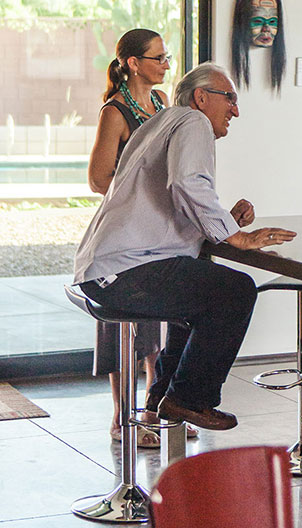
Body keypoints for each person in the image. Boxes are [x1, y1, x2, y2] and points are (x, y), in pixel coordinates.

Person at [75, 62, 296, 431]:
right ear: (201, 97)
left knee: (200, 294)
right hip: (123, 272)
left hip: (107, 270)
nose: (235, 111)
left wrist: (226, 221)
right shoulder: (193, 123)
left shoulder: (160, 123)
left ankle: (164, 396)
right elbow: (186, 183)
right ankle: (189, 399)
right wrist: (235, 237)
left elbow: (169, 202)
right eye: (230, 99)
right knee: (236, 290)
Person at [88, 28, 172, 448]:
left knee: (161, 326)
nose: (166, 65)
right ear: (134, 63)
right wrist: (142, 202)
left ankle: (158, 410)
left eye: (166, 57)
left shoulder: (161, 103)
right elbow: (99, 178)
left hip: (158, 232)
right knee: (124, 324)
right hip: (123, 235)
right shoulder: (115, 111)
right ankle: (123, 418)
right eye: (158, 58)